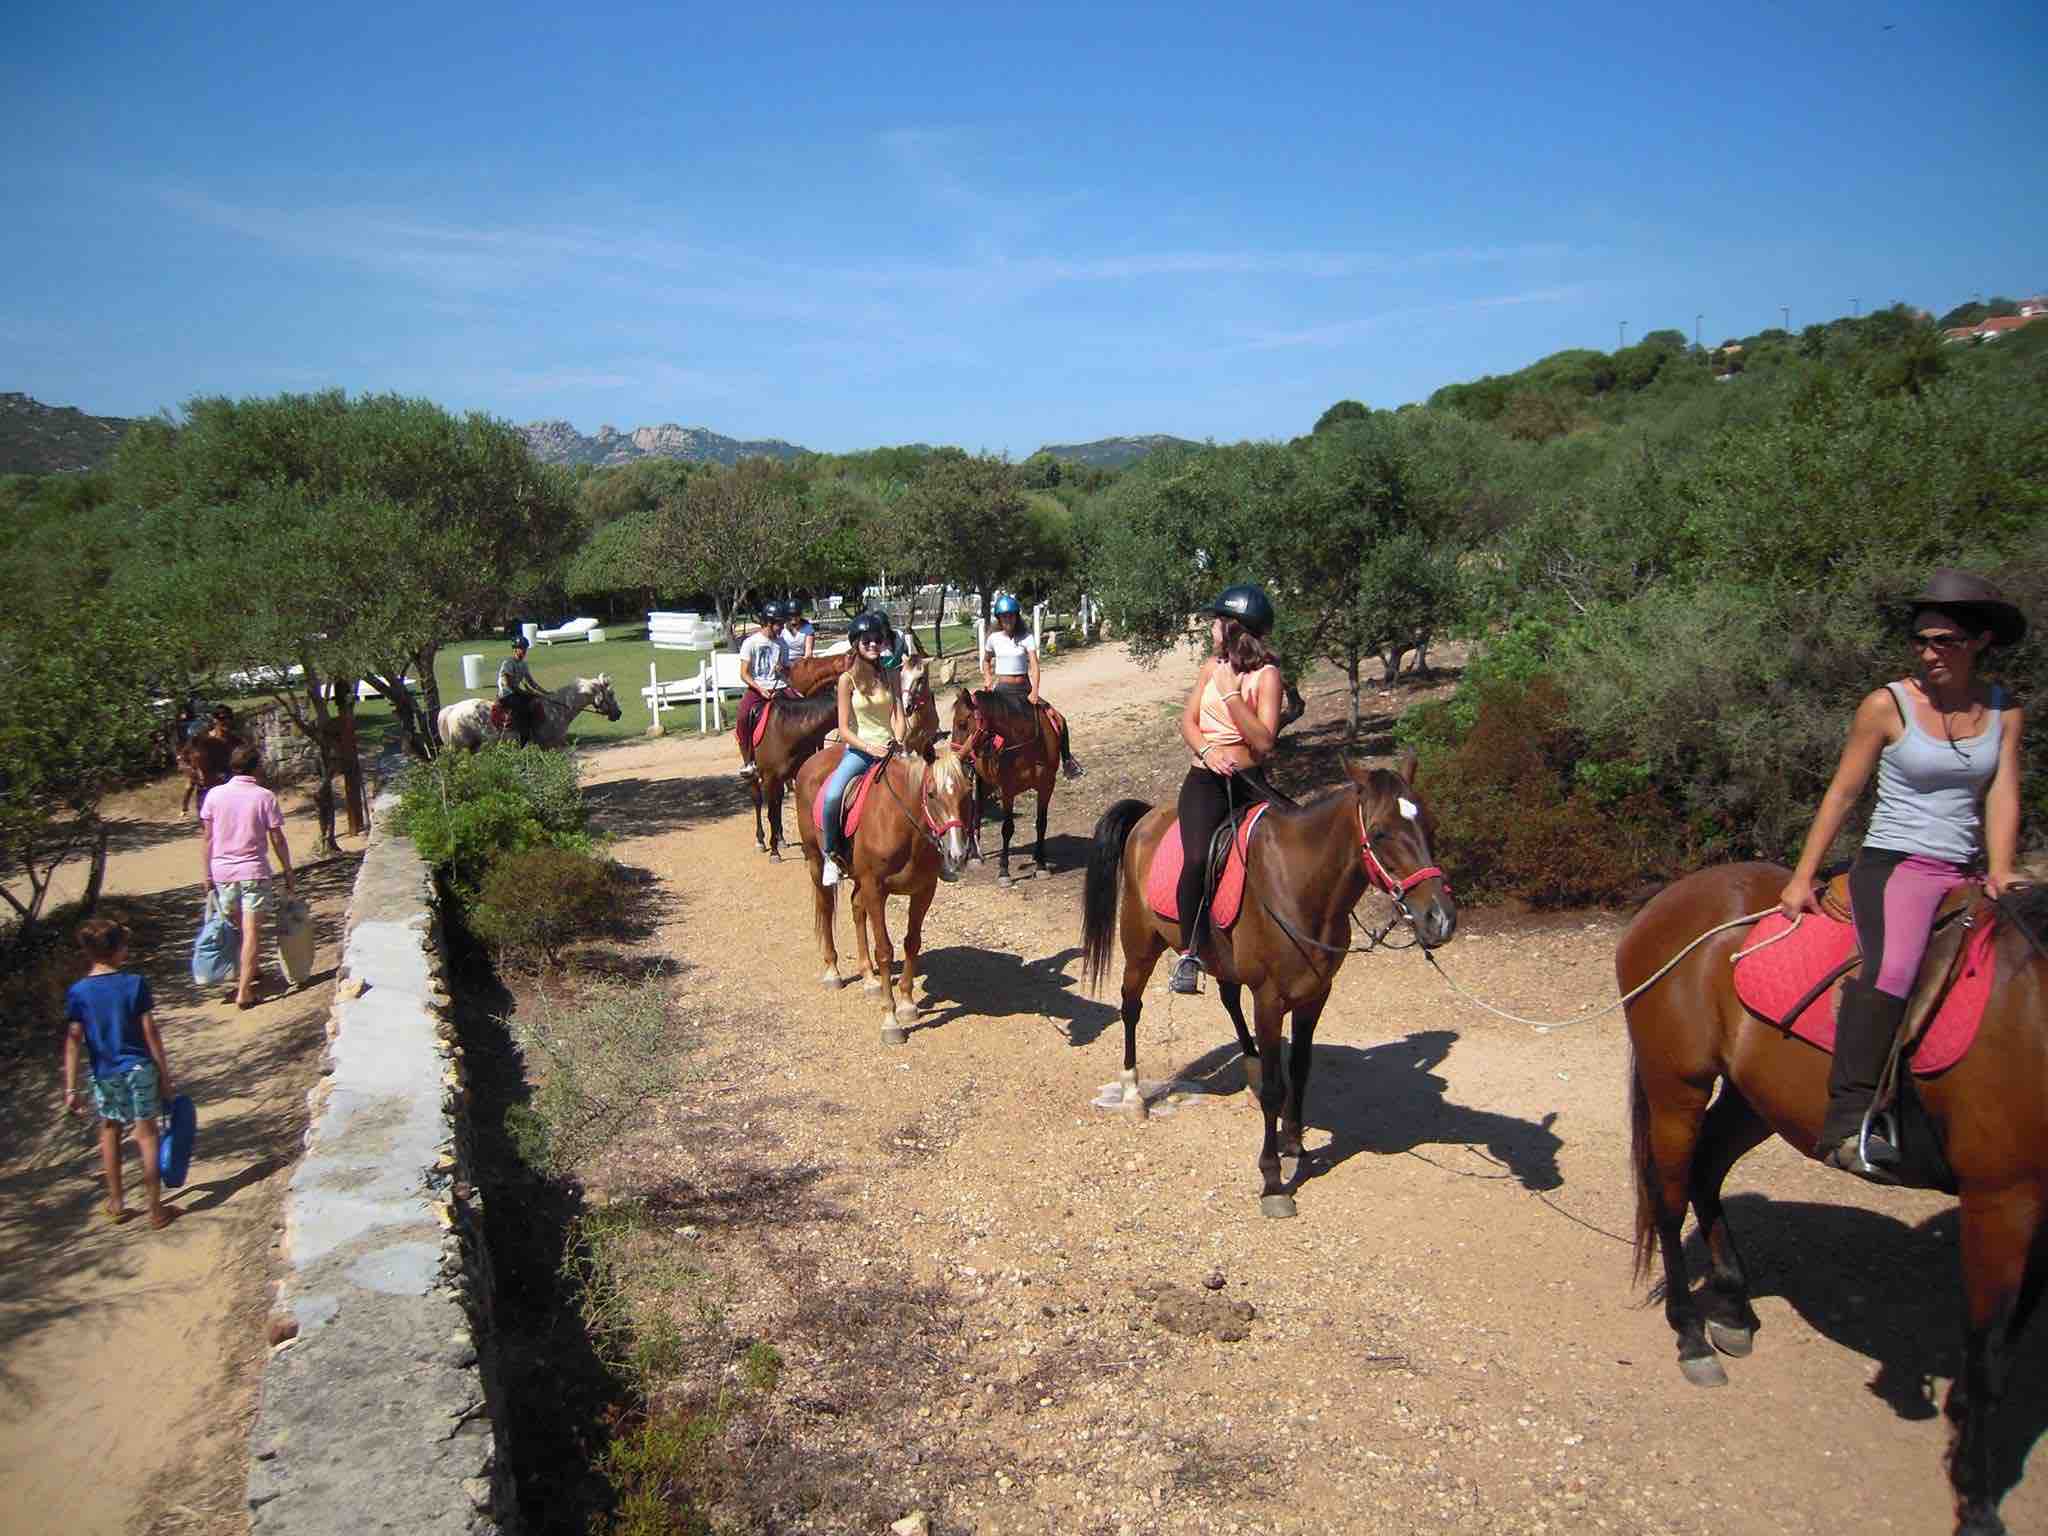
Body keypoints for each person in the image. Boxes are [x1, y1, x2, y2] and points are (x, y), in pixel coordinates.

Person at [1780, 570, 2027, 1181]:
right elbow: (1843, 793)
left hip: (1965, 870)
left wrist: (2001, 870)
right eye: (1921, 640)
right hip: (1894, 865)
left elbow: (2002, 792)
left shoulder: (2004, 710)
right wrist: (1802, 876)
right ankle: (1847, 1123)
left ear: (1980, 641)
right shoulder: (1885, 705)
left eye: (1944, 641)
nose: (1928, 652)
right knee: (1893, 969)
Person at [1169, 584, 1289, 996]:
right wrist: (1207, 750)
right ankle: (1190, 952)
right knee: (1197, 858)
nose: (1212, 628)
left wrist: (1233, 694)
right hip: (1205, 784)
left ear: (1234, 627)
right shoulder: (1209, 667)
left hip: (1249, 782)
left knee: (1294, 839)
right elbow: (1187, 722)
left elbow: (1265, 741)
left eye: (1217, 621)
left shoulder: (1267, 676)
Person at [62, 917, 178, 1230]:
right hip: (140, 1068)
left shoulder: (79, 992)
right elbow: (150, 1032)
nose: (127, 950)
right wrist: (164, 1075)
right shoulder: (135, 983)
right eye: (124, 945)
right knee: (147, 1135)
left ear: (88, 952)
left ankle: (116, 1203)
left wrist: (70, 1089)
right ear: (117, 950)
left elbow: (73, 1041)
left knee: (110, 1130)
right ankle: (156, 1210)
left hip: (105, 1073)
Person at [199, 744, 298, 1009]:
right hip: (253, 871)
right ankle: (244, 992)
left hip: (223, 873)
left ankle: (251, 970)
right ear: (257, 767)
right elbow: (277, 838)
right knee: (251, 930)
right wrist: (288, 870)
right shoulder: (264, 796)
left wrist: (206, 873)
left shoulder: (214, 795)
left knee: (239, 926)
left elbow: (208, 838)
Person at [820, 611, 907, 887]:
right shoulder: (847, 680)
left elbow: (899, 715)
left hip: (891, 750)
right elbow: (844, 729)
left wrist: (898, 738)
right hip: (860, 752)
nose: (873, 644)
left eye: (877, 639)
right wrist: (871, 748)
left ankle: (936, 854)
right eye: (866, 640)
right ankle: (831, 855)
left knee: (926, 788)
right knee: (833, 795)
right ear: (856, 643)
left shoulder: (892, 675)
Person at [979, 594, 1084, 779]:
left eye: (1011, 615)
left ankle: (1067, 761)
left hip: (1024, 690)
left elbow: (1034, 665)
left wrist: (1035, 691)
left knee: (1058, 719)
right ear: (999, 618)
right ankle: (979, 771)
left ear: (1016, 616)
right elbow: (986, 660)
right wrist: (988, 679)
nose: (1008, 619)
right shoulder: (993, 638)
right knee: (982, 725)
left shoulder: (1026, 637)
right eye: (1004, 616)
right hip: (1002, 691)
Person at [736, 602, 790, 780]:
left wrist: (783, 669)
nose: (782, 627)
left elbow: (787, 669)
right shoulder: (750, 643)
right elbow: (744, 673)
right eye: (779, 624)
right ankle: (748, 761)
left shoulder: (782, 643)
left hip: (780, 688)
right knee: (743, 717)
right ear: (768, 622)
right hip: (757, 689)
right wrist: (760, 689)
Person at [497, 635, 548, 747]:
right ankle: (522, 739)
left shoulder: (523, 664)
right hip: (506, 694)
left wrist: (545, 693)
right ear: (515, 649)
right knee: (523, 709)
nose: (524, 651)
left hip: (516, 693)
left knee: (536, 702)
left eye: (525, 648)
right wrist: (524, 693)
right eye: (521, 648)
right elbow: (507, 684)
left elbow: (531, 682)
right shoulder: (508, 663)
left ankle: (535, 731)